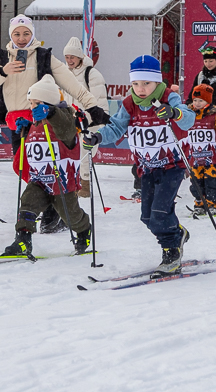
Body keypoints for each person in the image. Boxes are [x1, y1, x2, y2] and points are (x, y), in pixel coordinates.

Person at [0, 15, 111, 234]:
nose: (21, 38)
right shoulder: (3, 57)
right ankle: (47, 206)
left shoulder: (43, 56)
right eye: (17, 34)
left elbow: (71, 84)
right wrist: (4, 71)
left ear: (33, 34)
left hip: (42, 123)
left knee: (45, 170)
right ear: (11, 36)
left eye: (26, 33)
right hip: (17, 123)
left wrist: (92, 106)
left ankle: (53, 211)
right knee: (24, 168)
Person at [83, 55, 194, 275]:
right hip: (147, 167)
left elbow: (188, 119)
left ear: (157, 81)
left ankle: (171, 252)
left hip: (172, 165)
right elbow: (116, 127)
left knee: (160, 212)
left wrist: (174, 113)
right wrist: (97, 137)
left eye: (146, 83)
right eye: (135, 83)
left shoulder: (168, 97)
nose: (140, 89)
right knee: (147, 217)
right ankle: (177, 233)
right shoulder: (129, 104)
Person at [3, 76, 91, 257]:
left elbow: (66, 130)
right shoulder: (37, 121)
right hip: (40, 178)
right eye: (31, 103)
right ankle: (23, 240)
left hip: (61, 179)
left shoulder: (64, 118)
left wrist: (51, 113)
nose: (32, 107)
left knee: (70, 215)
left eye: (37, 103)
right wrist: (27, 129)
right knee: (28, 202)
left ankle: (83, 230)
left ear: (50, 103)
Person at [63, 37, 110, 198]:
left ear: (80, 57)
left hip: (89, 123)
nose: (69, 60)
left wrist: (91, 121)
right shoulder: (64, 74)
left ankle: (85, 185)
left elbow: (99, 101)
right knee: (69, 154)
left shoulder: (92, 74)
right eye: (67, 57)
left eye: (72, 57)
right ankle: (72, 183)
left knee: (84, 154)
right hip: (71, 122)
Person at [187, 84, 216, 216]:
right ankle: (200, 203)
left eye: (201, 100)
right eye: (195, 100)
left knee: (213, 182)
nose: (197, 103)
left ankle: (215, 204)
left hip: (212, 158)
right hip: (195, 158)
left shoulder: (214, 114)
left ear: (208, 101)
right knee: (196, 183)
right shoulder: (189, 115)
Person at [188, 46, 216, 112]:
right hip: (202, 114)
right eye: (205, 61)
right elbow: (192, 96)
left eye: (211, 61)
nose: (208, 64)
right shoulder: (200, 76)